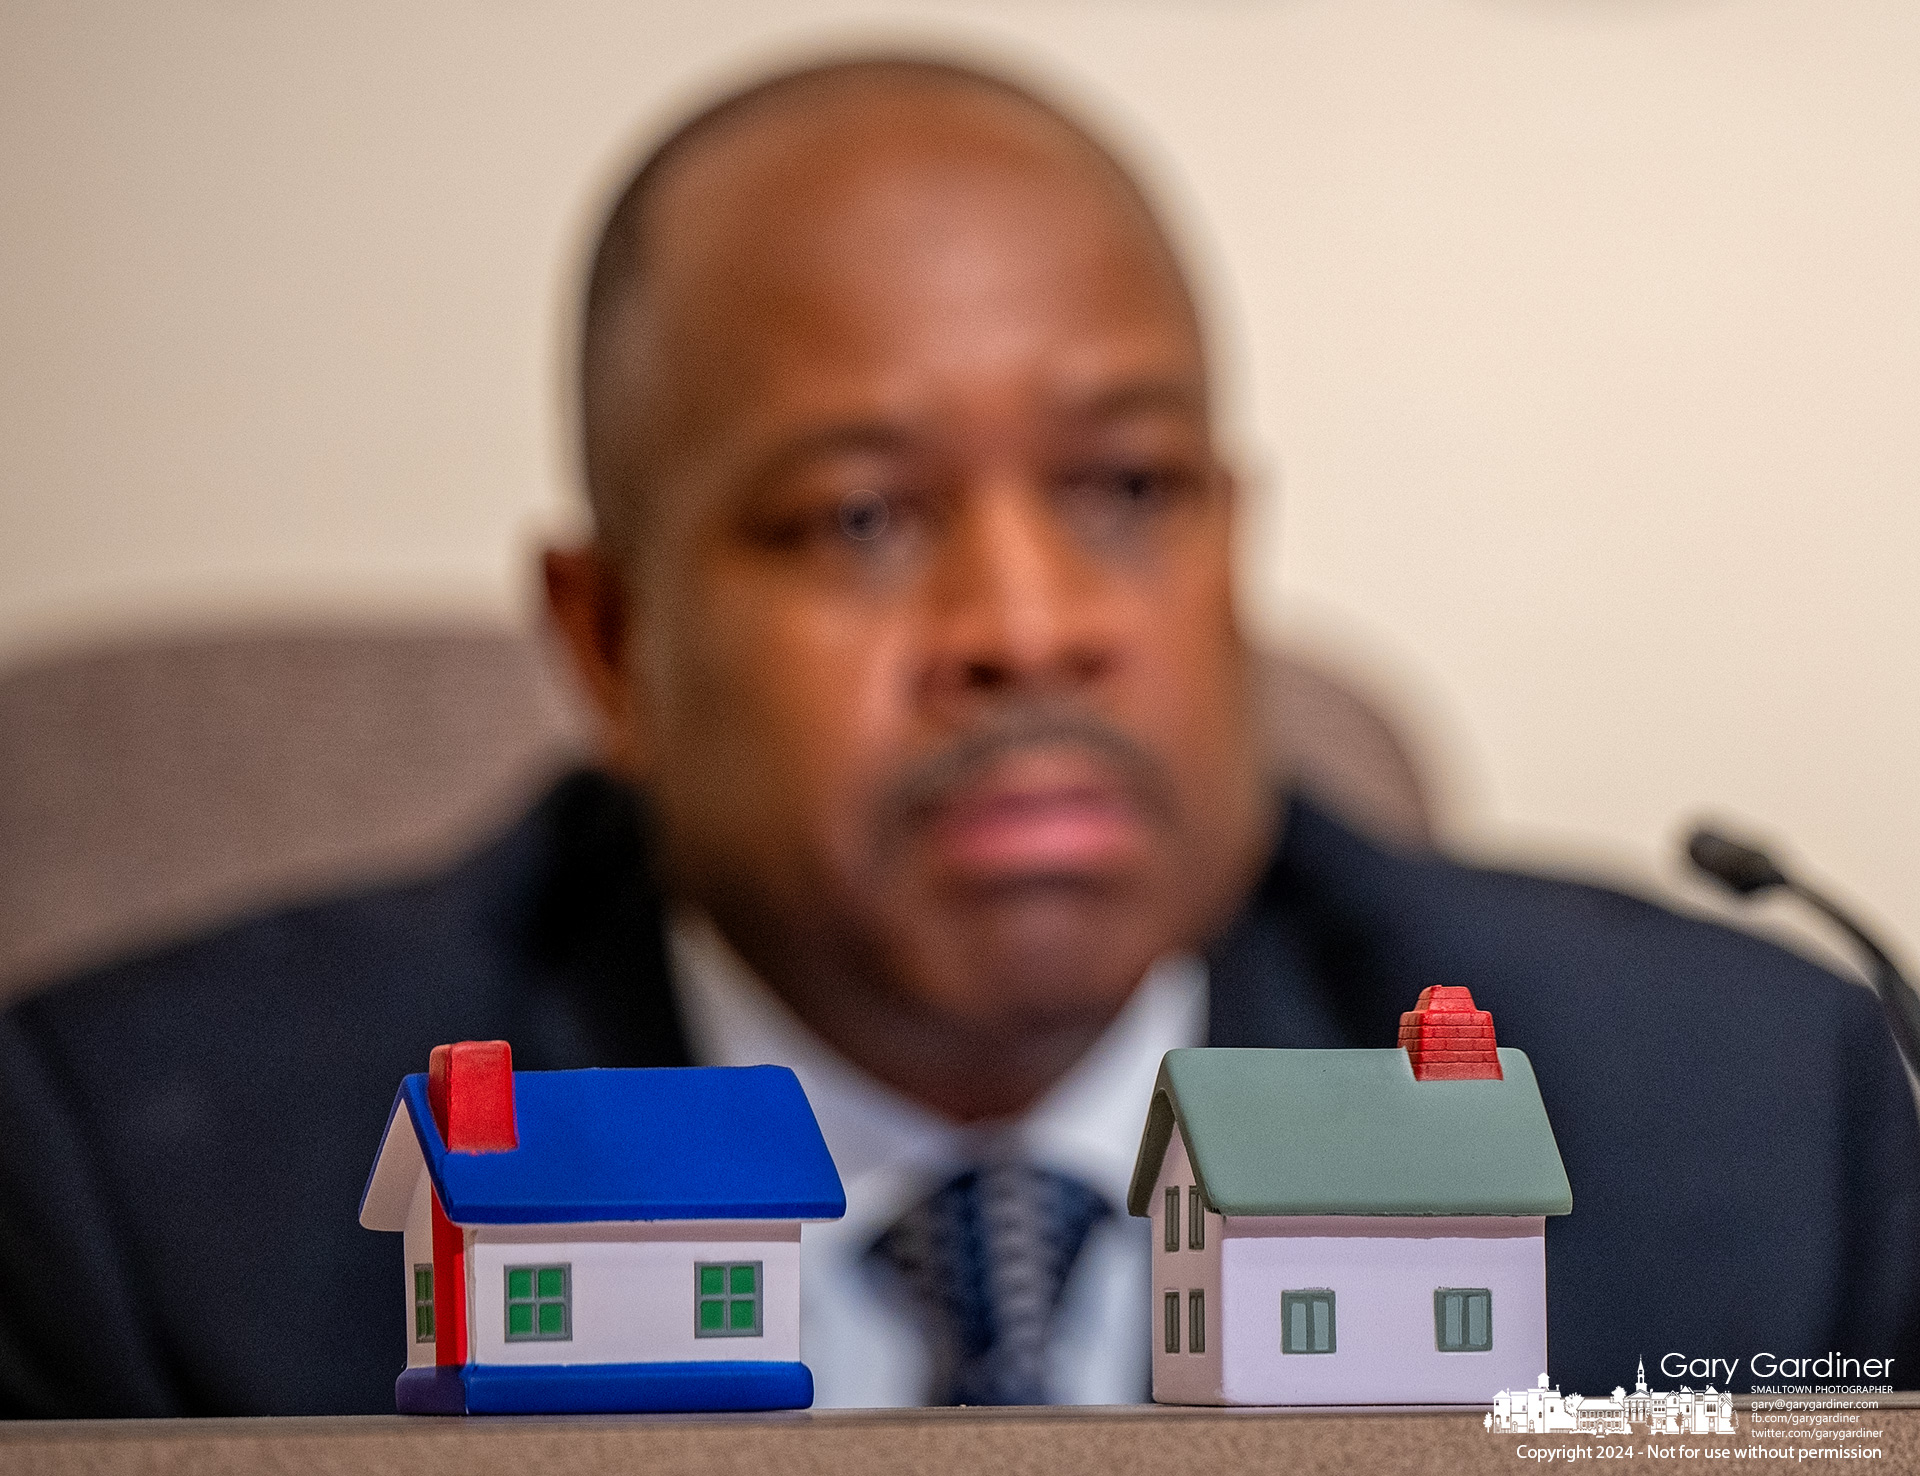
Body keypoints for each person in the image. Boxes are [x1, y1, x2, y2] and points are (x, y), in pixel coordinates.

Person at [2, 55, 1915, 1419]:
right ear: (608, 641)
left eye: (1128, 487)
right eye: (860, 518)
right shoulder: (145, 1200)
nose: (1027, 627)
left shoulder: (1748, 1129)